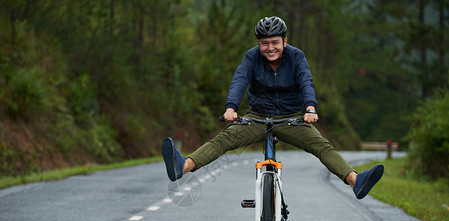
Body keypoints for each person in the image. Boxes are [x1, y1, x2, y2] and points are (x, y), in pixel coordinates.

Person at [162, 16, 383, 200]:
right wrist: (231, 107)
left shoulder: (296, 56)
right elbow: (240, 79)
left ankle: (355, 181)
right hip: (257, 118)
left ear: (284, 41)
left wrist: (310, 108)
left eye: (275, 42)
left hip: (292, 118)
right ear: (258, 44)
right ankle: (183, 166)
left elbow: (306, 81)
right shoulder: (251, 57)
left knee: (322, 146)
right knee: (223, 140)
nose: (270, 48)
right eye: (264, 43)